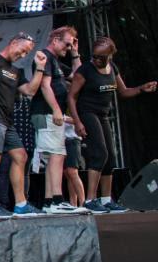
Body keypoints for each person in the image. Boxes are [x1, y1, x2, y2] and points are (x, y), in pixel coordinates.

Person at [67, 36, 157, 213]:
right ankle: (90, 200)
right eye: (94, 56)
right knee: (99, 153)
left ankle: (106, 199)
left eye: (100, 57)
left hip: (103, 114)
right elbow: (71, 96)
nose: (96, 60)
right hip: (87, 113)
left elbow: (123, 92)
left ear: (110, 55)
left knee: (110, 158)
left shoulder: (112, 68)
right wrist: (77, 122)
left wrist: (141, 88)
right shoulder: (85, 71)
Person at [0, 32, 48, 218]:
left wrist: (40, 68)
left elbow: (30, 91)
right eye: (22, 50)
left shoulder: (15, 72)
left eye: (27, 53)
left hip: (7, 122)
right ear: (13, 43)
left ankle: (21, 204)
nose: (23, 55)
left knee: (20, 156)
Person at [29, 26, 86, 214]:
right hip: (45, 112)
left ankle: (48, 202)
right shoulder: (44, 56)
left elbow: (79, 78)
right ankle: (56, 200)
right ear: (55, 40)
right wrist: (55, 110)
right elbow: (45, 86)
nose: (68, 48)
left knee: (55, 155)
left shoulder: (56, 61)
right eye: (67, 44)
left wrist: (76, 54)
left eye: (71, 45)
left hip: (50, 113)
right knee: (56, 155)